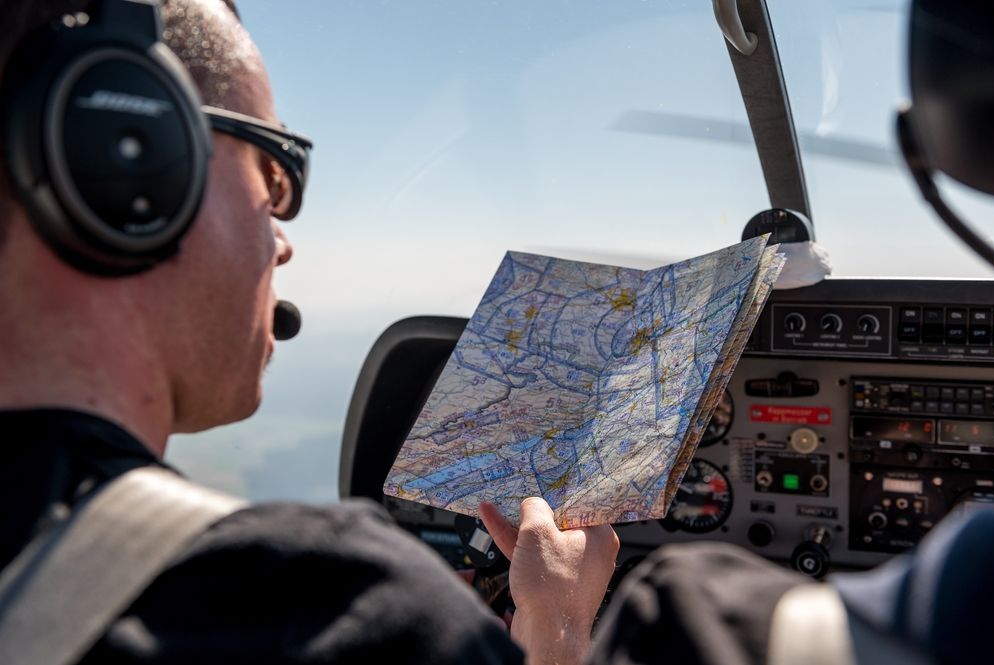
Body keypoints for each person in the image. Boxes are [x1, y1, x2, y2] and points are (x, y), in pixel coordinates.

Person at [0, 1, 619, 663]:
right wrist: (556, 621)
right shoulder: (318, 613)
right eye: (274, 170)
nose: (283, 242)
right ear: (132, 152)